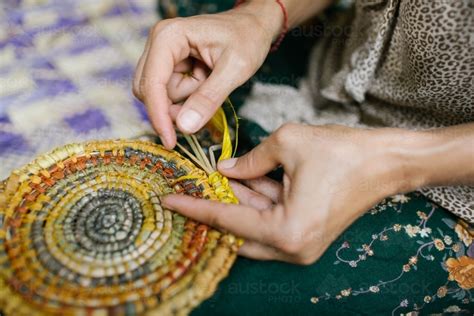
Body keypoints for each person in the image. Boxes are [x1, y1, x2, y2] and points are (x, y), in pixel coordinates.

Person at [133, 0, 473, 313]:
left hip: (448, 181)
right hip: (335, 63)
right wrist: (263, 15)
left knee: (201, 291)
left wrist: (397, 163)